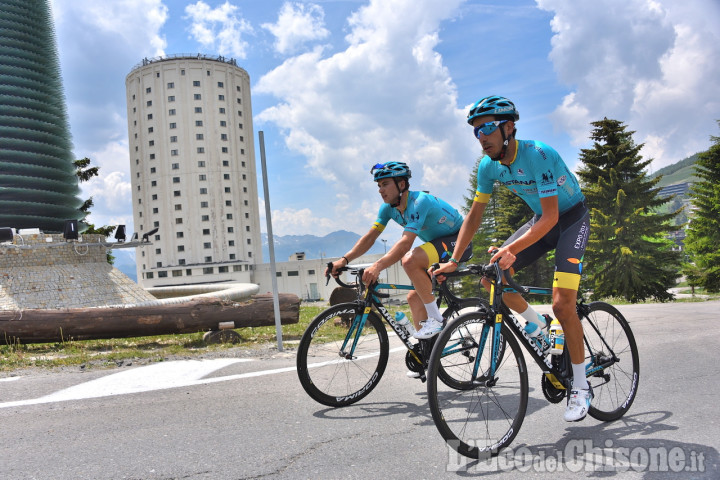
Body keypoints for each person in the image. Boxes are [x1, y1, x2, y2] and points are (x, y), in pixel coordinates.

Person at [433, 95, 592, 422]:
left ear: (508, 127)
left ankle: (580, 385)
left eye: (487, 128)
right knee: (491, 276)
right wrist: (453, 259)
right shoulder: (488, 167)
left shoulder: (539, 155)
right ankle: (540, 327)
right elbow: (473, 218)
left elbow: (551, 217)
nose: (481, 137)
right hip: (541, 221)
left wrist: (512, 249)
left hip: (570, 219)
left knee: (564, 305)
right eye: (476, 131)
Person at [326, 161, 472, 348]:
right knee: (413, 297)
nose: (380, 190)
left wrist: (378, 266)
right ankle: (426, 353)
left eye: (385, 184)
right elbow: (370, 237)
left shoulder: (419, 201)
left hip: (459, 242)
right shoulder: (387, 209)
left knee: (410, 260)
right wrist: (344, 260)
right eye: (378, 185)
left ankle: (437, 319)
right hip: (438, 247)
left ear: (401, 184)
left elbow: (405, 244)